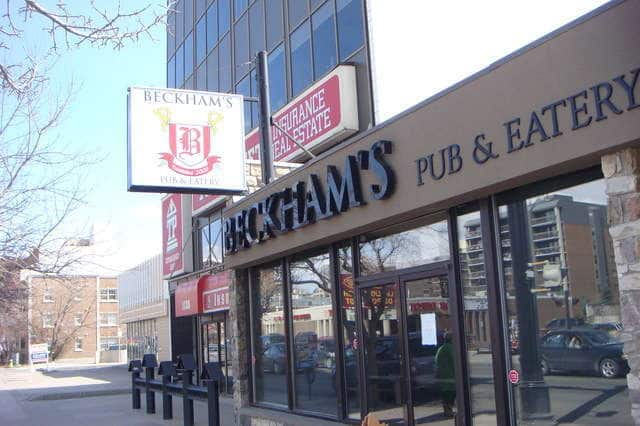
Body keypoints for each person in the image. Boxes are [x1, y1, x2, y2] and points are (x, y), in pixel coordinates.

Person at [435, 331, 456, 418]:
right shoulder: (451, 348)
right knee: (451, 394)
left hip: (442, 376)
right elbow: (455, 361)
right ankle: (449, 411)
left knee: (445, 395)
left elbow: (436, 360)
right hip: (450, 376)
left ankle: (447, 411)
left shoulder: (441, 348)